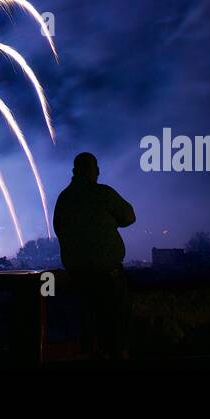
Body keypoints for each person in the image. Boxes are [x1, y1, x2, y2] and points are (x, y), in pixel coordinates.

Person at [52, 152, 136, 359]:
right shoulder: (102, 193)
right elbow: (129, 216)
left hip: (77, 277)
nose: (98, 171)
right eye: (95, 167)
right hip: (107, 277)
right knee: (116, 332)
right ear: (91, 170)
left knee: (87, 333)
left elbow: (59, 229)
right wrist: (110, 223)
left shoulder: (64, 198)